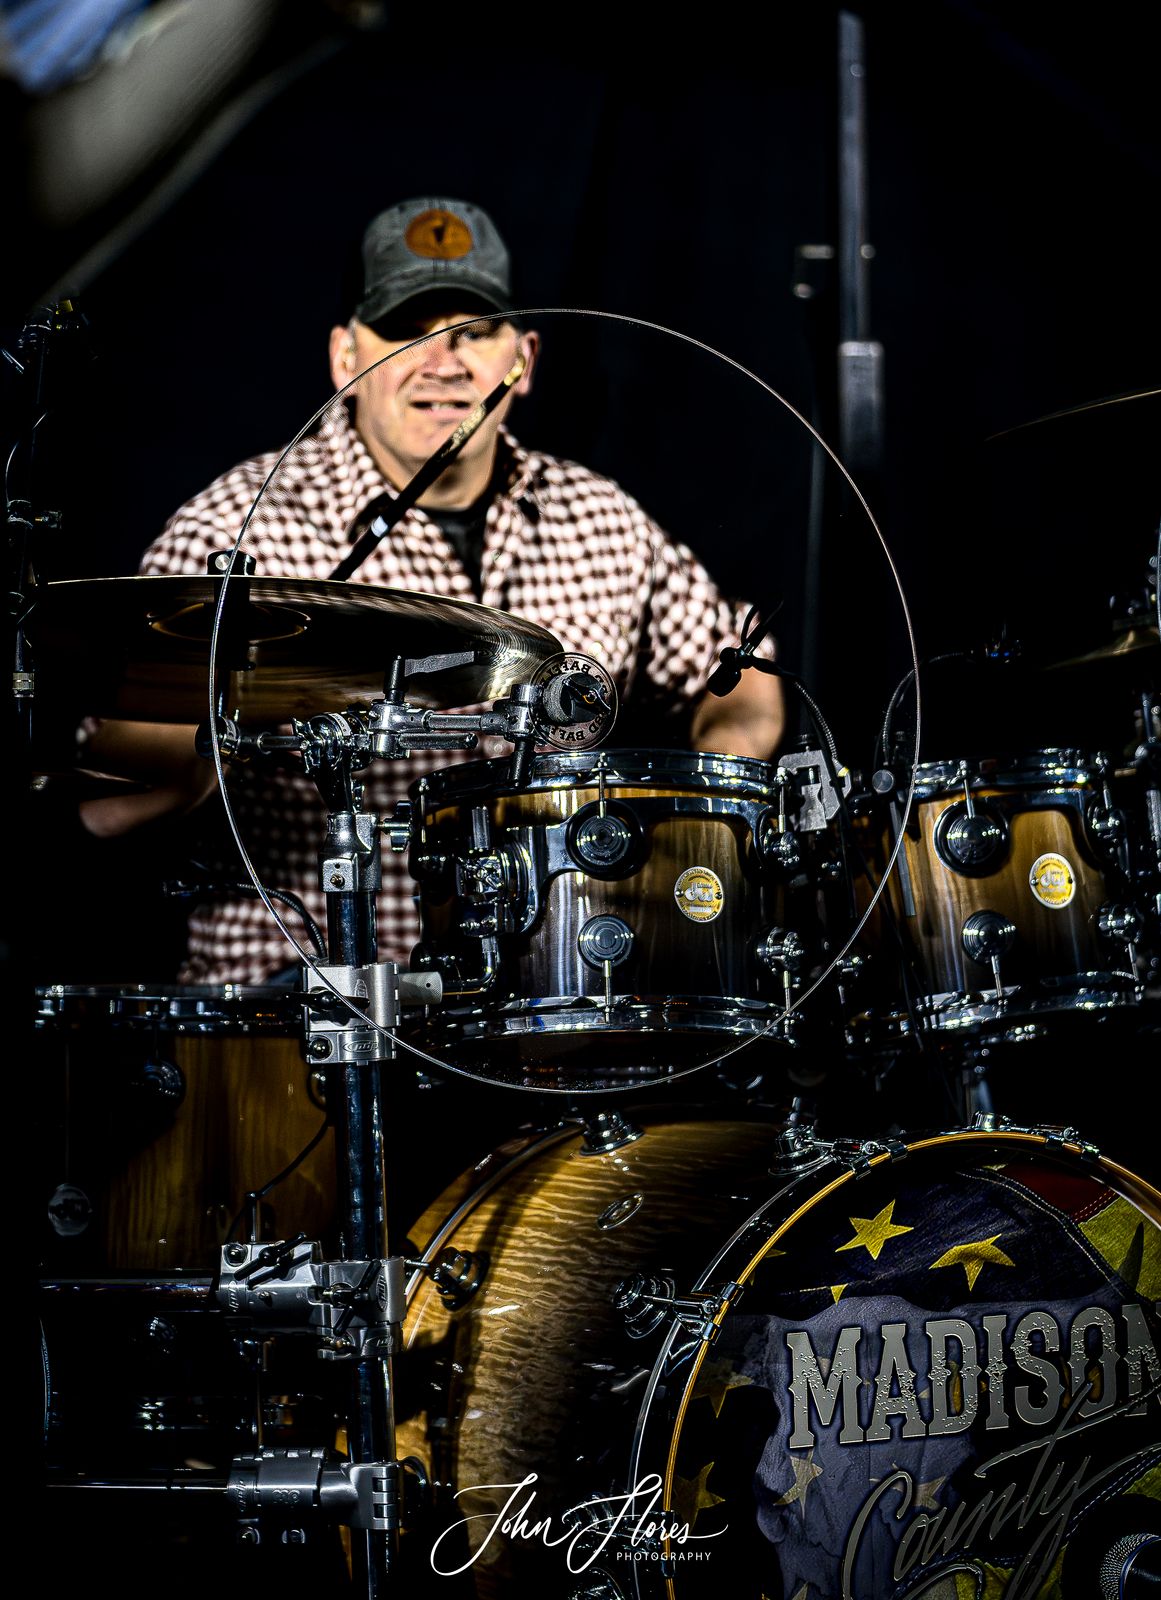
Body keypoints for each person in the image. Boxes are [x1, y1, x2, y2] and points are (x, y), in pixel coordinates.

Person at [77, 195, 784, 985]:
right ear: (345, 358)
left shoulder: (602, 516)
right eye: (406, 331)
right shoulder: (238, 534)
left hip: (545, 997)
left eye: (473, 332)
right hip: (302, 998)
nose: (442, 362)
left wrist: (702, 810)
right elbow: (113, 784)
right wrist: (216, 731)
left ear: (523, 361)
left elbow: (742, 669)